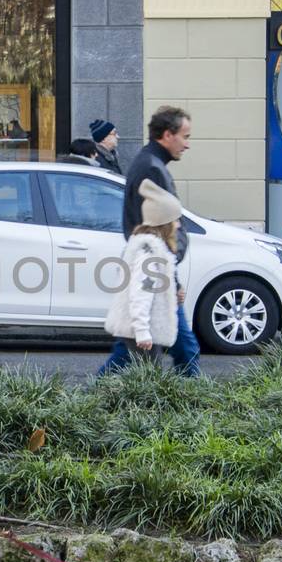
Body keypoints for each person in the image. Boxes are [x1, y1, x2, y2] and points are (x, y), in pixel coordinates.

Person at [99, 105, 201, 378]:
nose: (187, 145)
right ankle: (196, 403)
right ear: (167, 135)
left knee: (130, 347)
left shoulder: (150, 163)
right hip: (157, 264)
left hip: (156, 262)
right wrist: (173, 279)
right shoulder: (152, 169)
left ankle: (95, 393)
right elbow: (156, 229)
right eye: (185, 136)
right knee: (184, 348)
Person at [103, 179, 181, 362]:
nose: (178, 225)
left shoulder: (146, 246)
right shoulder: (149, 252)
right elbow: (141, 292)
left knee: (144, 375)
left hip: (143, 327)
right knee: (150, 380)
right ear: (164, 222)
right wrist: (142, 330)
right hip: (144, 329)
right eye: (175, 220)